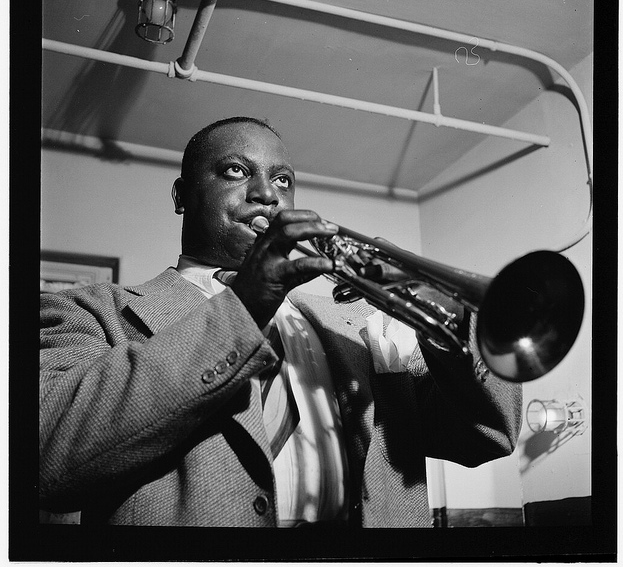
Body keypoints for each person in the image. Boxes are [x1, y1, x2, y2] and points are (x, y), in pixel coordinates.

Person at [39, 116, 522, 528]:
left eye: (283, 180)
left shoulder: (351, 321)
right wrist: (246, 304)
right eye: (235, 170)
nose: (267, 194)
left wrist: (451, 333)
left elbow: (484, 438)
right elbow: (45, 456)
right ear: (182, 195)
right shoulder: (91, 310)